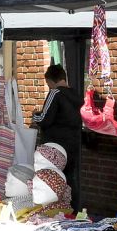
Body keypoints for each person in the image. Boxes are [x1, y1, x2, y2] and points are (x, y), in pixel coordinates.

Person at [31, 64, 84, 209]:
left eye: (47, 83)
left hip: (54, 146)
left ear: (51, 80)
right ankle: (73, 210)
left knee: (51, 178)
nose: (48, 86)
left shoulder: (55, 93)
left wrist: (35, 116)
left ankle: (55, 210)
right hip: (73, 144)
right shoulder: (77, 95)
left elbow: (44, 119)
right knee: (70, 178)